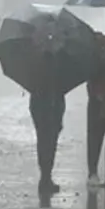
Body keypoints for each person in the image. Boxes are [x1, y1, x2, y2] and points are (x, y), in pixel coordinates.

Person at [30, 49, 67, 194]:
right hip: (49, 106)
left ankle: (45, 176)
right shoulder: (57, 63)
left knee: (44, 141)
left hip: (44, 105)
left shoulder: (34, 62)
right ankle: (46, 176)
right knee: (49, 142)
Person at [86, 33, 105, 187]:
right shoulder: (92, 59)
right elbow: (89, 79)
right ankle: (93, 172)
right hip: (96, 101)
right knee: (94, 138)